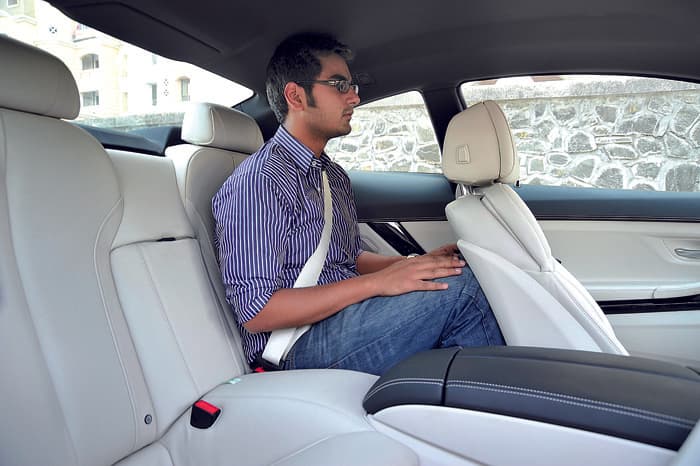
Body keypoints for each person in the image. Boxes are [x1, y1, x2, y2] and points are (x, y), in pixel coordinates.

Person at [213, 32, 504, 376]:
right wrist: (377, 284)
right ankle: (498, 400)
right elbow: (257, 311)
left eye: (351, 85)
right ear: (296, 96)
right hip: (297, 343)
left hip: (344, 317)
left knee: (460, 272)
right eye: (340, 85)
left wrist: (414, 263)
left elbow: (349, 258)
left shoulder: (332, 176)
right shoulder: (259, 182)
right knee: (463, 292)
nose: (355, 96)